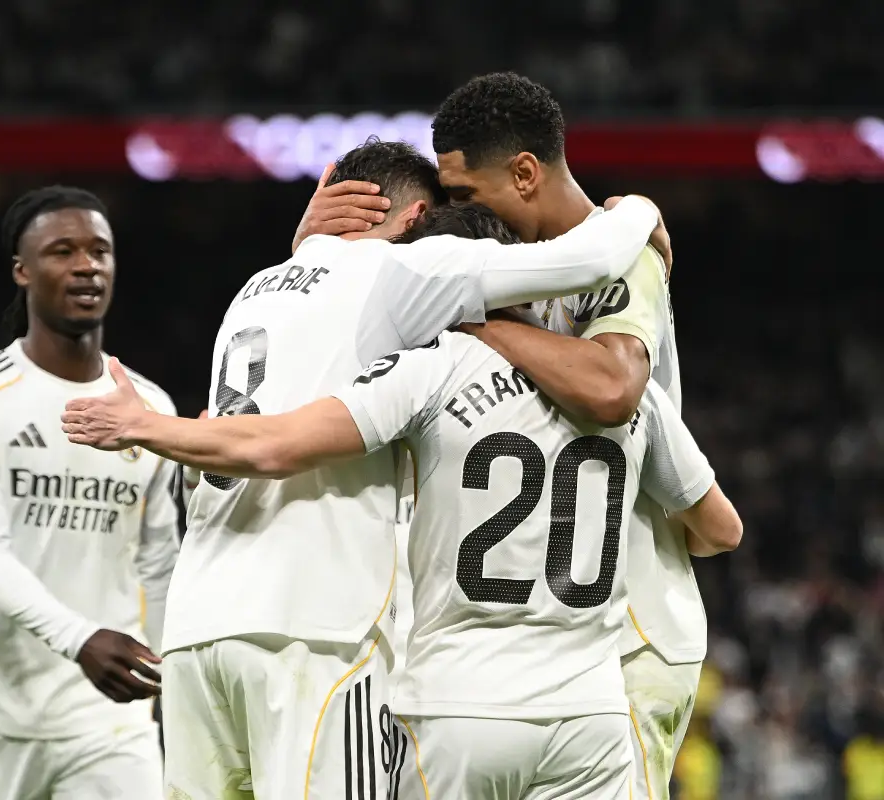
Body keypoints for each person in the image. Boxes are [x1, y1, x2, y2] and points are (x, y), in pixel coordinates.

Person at [57, 206, 741, 799]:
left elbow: (280, 442)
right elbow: (719, 529)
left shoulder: (430, 370)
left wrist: (158, 428)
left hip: (458, 702)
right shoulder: (628, 393)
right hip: (589, 708)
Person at [296, 72, 704, 799]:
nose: (450, 215)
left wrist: (476, 318)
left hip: (625, 633)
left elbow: (613, 388)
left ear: (523, 173)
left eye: (462, 195)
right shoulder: (511, 265)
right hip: (539, 640)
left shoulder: (620, 260)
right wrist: (309, 249)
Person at [0, 185, 180, 800]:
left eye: (100, 251)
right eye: (62, 251)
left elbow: (158, 562)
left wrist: (176, 670)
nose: (87, 265)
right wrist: (80, 640)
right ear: (22, 269)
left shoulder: (148, 407)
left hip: (110, 723)